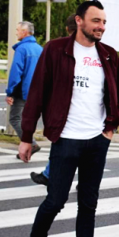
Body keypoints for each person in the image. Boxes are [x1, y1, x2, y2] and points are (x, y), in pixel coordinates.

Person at [18, 0, 119, 237]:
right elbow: (37, 93)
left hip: (96, 141)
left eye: (104, 22)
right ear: (79, 21)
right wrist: (26, 137)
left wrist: (111, 128)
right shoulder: (56, 50)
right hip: (66, 139)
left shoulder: (108, 56)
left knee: (88, 205)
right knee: (55, 201)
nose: (101, 27)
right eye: (95, 21)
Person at [30, 14, 79, 186]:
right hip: (86, 116)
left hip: (63, 113)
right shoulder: (98, 52)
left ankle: (50, 176)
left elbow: (44, 85)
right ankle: (52, 174)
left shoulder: (55, 49)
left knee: (61, 145)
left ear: (67, 29)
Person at [6, 21, 43, 158]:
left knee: (15, 118)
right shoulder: (40, 49)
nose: (16, 32)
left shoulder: (22, 49)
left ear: (24, 32)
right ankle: (29, 145)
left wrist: (10, 92)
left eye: (17, 30)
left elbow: (16, 72)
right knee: (27, 119)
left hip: (23, 91)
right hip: (37, 91)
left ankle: (31, 143)